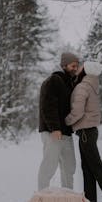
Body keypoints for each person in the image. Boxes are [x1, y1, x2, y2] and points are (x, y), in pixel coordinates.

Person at [65, 61, 102, 202]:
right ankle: (90, 200)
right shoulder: (92, 86)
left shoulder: (82, 87)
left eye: (81, 67)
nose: (78, 70)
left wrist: (66, 122)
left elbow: (77, 112)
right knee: (87, 166)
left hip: (85, 132)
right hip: (88, 131)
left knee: (95, 165)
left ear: (86, 71)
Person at [37, 52, 79, 190]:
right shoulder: (54, 80)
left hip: (66, 132)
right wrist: (54, 128)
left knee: (69, 165)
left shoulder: (69, 83)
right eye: (73, 65)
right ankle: (41, 196)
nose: (75, 68)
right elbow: (47, 105)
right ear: (64, 65)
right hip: (53, 131)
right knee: (49, 165)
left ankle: (68, 196)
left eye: (77, 66)